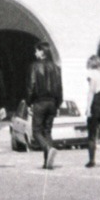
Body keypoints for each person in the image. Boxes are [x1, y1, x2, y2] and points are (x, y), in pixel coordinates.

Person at [27, 42, 63, 170]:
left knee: (36, 131)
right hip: (52, 102)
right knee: (47, 131)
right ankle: (47, 162)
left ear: (42, 52)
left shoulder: (35, 66)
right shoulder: (56, 67)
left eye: (36, 51)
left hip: (40, 102)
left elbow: (31, 85)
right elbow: (60, 88)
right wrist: (58, 104)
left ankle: (48, 148)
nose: (35, 53)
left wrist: (29, 102)